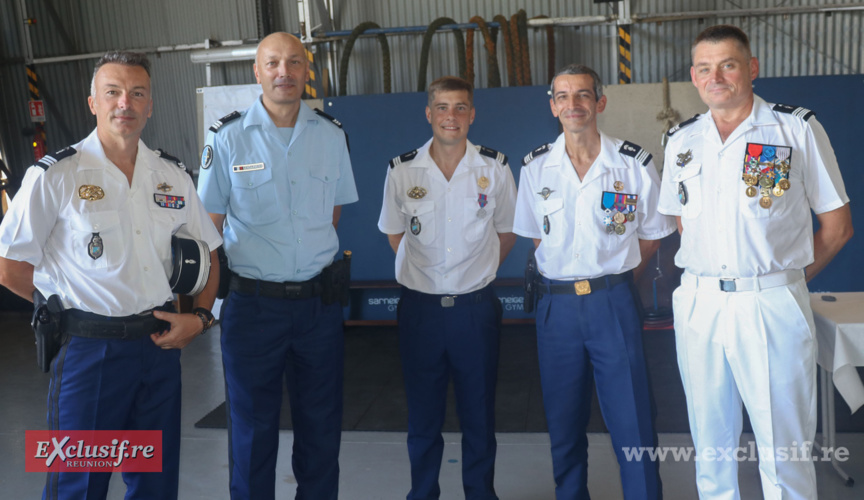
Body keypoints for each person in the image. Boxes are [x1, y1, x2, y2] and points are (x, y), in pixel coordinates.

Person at [0, 51, 222, 499]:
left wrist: (199, 319)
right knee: (78, 486)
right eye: (113, 92)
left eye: (137, 93)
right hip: (88, 353)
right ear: (93, 103)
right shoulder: (55, 176)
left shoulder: (172, 175)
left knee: (155, 484)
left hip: (159, 349)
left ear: (150, 105)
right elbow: (9, 266)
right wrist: (61, 312)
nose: (126, 103)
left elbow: (211, 256)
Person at [658, 25, 854, 499]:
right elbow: (684, 221)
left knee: (784, 450)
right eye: (705, 68)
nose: (716, 76)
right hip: (700, 306)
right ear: (693, 76)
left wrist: (784, 282)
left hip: (771, 305)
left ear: (752, 68)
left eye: (727, 64)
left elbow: (838, 226)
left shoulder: (795, 128)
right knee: (710, 446)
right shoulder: (681, 140)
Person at [197, 32, 358, 500]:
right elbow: (210, 224)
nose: (283, 72)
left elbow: (333, 211)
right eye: (272, 63)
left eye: (293, 62)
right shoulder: (227, 138)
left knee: (322, 427)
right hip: (252, 308)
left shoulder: (331, 135)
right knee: (251, 430)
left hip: (317, 308)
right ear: (257, 71)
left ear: (307, 71)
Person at [512, 64, 673, 499]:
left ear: (599, 102)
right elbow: (533, 238)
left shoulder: (633, 163)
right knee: (563, 420)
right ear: (552, 106)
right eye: (562, 96)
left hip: (612, 304)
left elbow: (653, 237)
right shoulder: (535, 169)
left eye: (582, 95)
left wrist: (615, 284)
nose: (573, 104)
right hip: (556, 308)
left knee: (632, 418)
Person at [377, 76, 517, 500]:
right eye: (442, 107)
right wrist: (430, 278)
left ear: (472, 114)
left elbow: (507, 232)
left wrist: (476, 272)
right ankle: (422, 494)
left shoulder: (495, 168)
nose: (451, 116)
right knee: (423, 417)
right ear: (428, 113)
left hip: (475, 310)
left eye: (460, 108)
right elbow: (395, 233)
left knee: (479, 415)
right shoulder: (402, 170)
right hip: (420, 310)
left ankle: (480, 494)